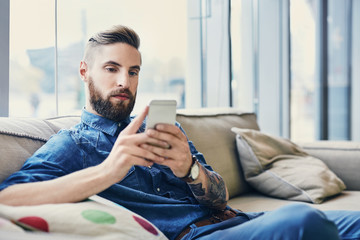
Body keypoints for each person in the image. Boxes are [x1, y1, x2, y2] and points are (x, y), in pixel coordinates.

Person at [0, 25, 359, 240]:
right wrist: (110, 170)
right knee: (304, 220)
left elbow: (219, 199)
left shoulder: (164, 130)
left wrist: (189, 168)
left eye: (134, 71)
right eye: (111, 69)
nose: (125, 82)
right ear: (84, 72)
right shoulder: (73, 145)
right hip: (195, 236)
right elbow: (8, 198)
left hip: (239, 222)